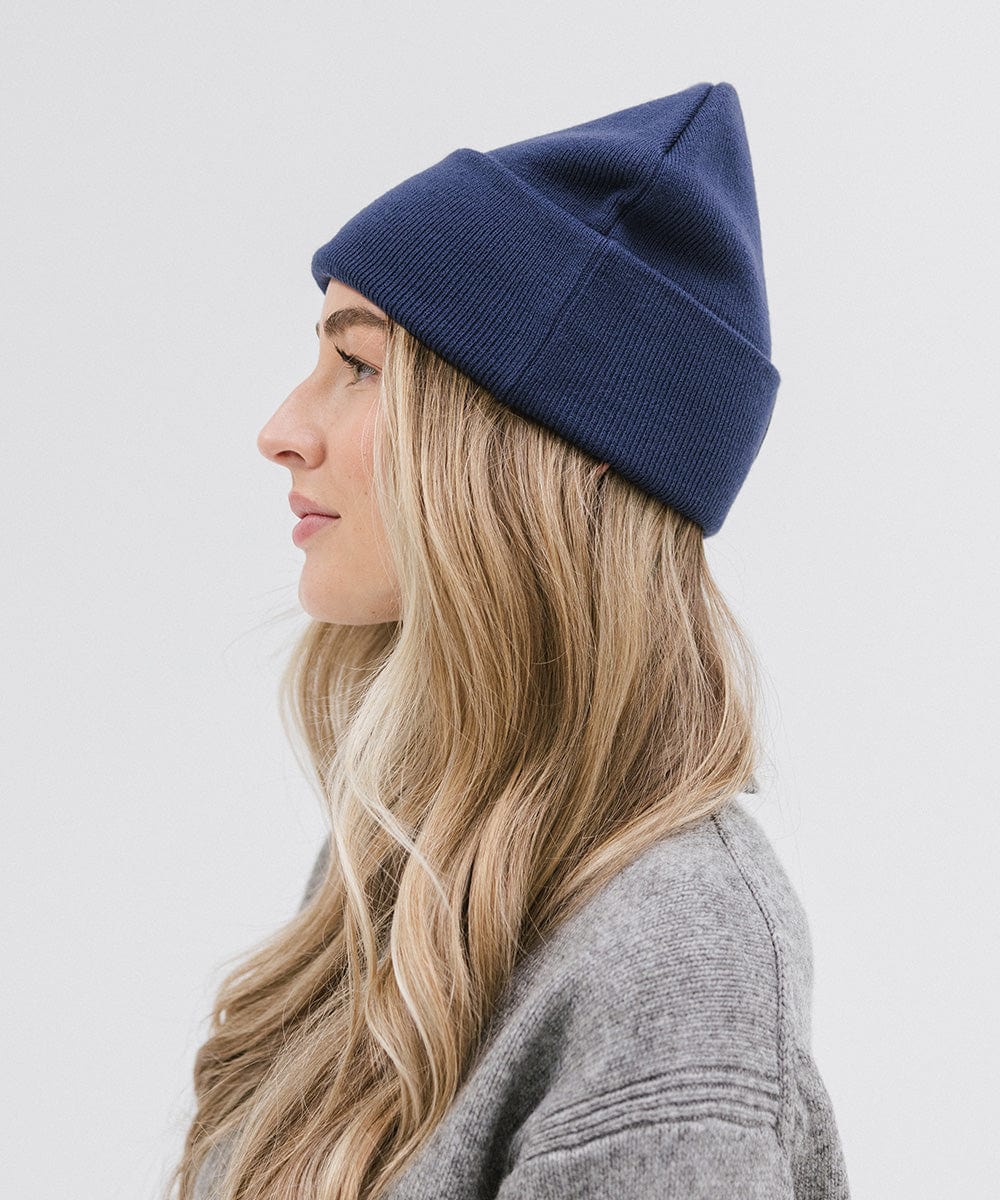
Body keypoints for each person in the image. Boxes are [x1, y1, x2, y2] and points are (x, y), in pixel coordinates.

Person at [167, 80, 851, 1199]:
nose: (282, 430)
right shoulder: (411, 858)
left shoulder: (672, 954)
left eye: (359, 364)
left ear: (525, 452)